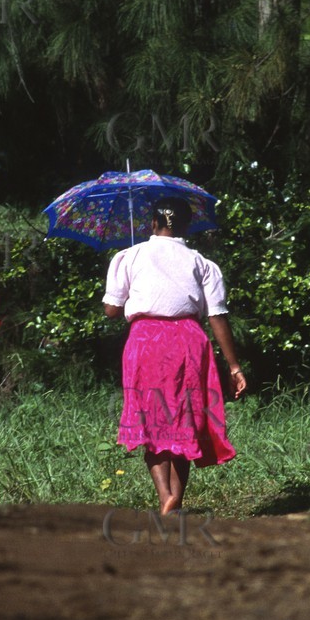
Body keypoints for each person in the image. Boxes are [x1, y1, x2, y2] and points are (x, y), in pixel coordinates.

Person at [102, 197, 247, 515]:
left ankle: (165, 495)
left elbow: (111, 310)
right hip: (189, 342)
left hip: (146, 342)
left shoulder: (129, 256)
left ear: (153, 223)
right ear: (186, 226)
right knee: (185, 419)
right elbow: (217, 316)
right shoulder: (202, 263)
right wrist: (234, 366)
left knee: (151, 421)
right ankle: (176, 501)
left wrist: (126, 282)